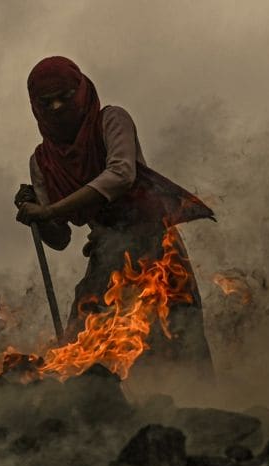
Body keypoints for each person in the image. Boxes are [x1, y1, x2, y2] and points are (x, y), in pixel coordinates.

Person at [15, 56, 214, 378]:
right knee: (83, 333)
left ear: (80, 91)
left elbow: (121, 174)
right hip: (106, 253)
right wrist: (37, 218)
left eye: (64, 98)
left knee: (178, 330)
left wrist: (50, 210)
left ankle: (198, 408)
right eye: (45, 102)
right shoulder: (41, 161)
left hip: (154, 245)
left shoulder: (111, 120)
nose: (56, 108)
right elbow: (60, 239)